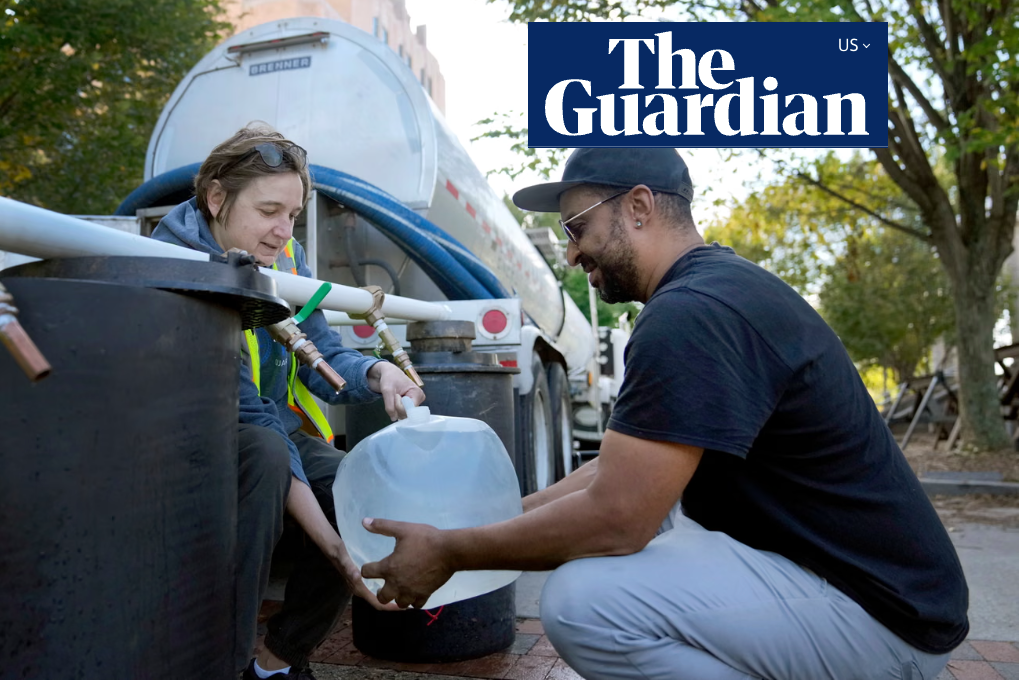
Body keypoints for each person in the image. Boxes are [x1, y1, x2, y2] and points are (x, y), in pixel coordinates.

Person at [357, 147, 969, 680]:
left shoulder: (691, 313)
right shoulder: (711, 292)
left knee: (583, 602)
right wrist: (490, 521)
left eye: (577, 226)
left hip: (881, 623)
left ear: (640, 207)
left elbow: (618, 518)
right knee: (658, 525)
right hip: (873, 594)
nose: (571, 253)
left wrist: (451, 553)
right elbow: (615, 472)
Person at [152, 124, 423, 680]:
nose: (283, 231)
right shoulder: (174, 256)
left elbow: (320, 355)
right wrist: (334, 549)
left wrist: (377, 373)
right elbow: (244, 409)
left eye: (293, 214)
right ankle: (218, 656)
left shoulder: (289, 258)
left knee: (357, 488)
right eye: (270, 210)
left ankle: (277, 660)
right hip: (194, 429)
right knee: (269, 460)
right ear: (217, 198)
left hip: (271, 423)